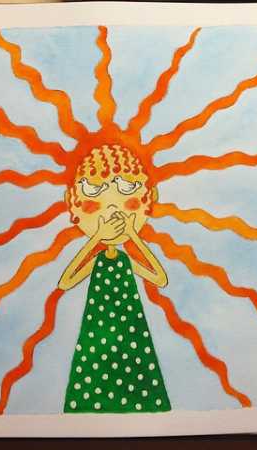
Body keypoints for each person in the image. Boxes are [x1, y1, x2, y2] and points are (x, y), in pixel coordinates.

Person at [58, 143, 171, 413]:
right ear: (71, 201)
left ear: (151, 196)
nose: (111, 208)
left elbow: (159, 277)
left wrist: (132, 235)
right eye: (92, 192)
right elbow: (66, 281)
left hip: (132, 339)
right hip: (96, 342)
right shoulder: (98, 260)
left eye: (128, 189)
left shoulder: (125, 260)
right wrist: (97, 236)